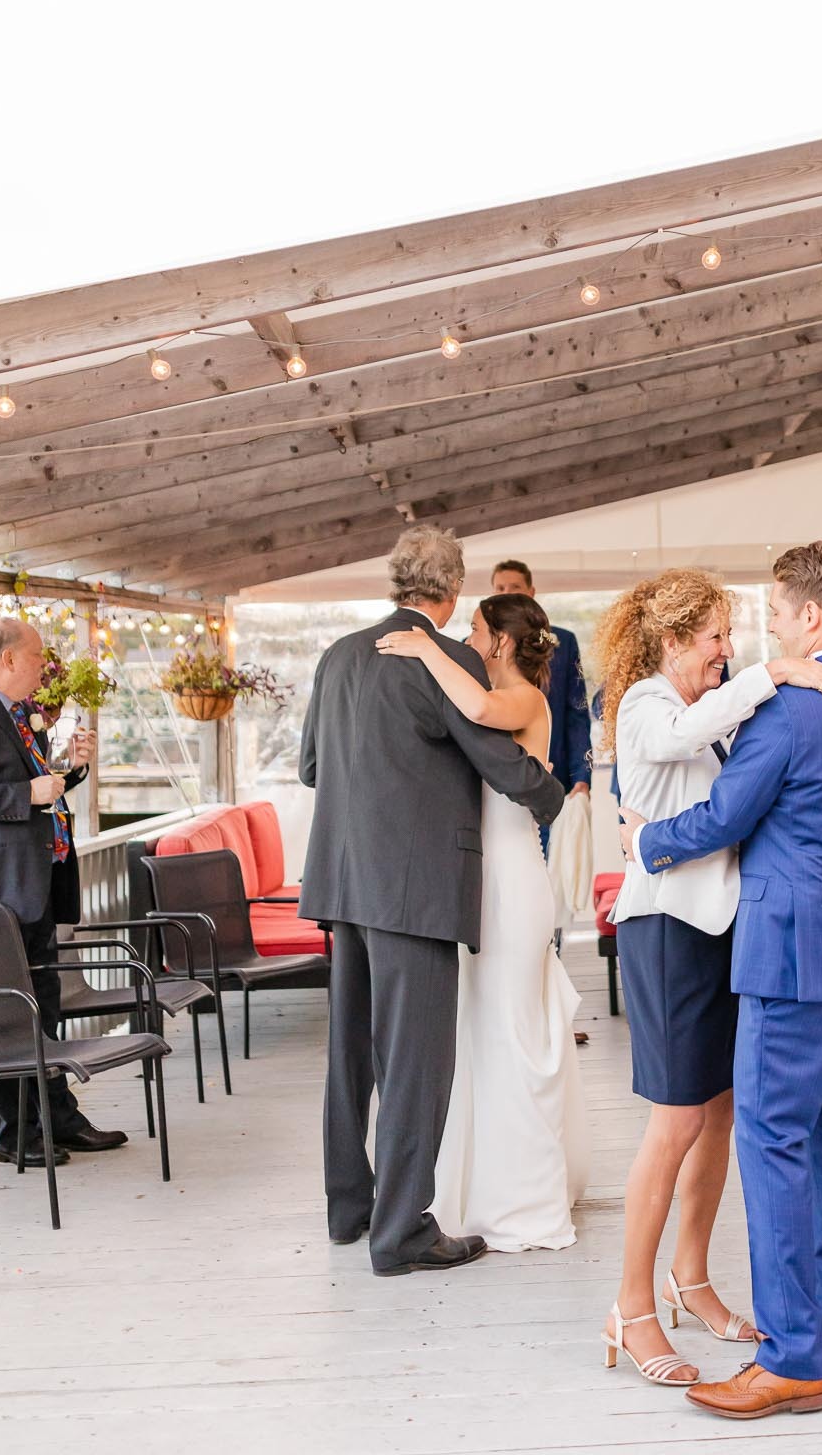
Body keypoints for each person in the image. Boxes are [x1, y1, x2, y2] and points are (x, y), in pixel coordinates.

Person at [620, 541, 822, 1421]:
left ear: (810, 617)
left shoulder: (789, 710)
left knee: (772, 1145)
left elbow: (726, 815)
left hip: (787, 952)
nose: (765, 635)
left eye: (775, 615)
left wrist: (645, 843)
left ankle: (790, 1361)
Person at [297, 526, 563, 1277]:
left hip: (342, 881)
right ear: (451, 590)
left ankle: (350, 1209)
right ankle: (402, 1231)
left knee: (351, 1053)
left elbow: (313, 766)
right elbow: (499, 761)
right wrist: (552, 797)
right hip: (413, 888)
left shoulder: (337, 654)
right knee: (415, 1061)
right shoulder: (441, 657)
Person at [376, 593, 587, 1250]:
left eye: (474, 628)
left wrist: (423, 648)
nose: (465, 635)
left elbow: (476, 707)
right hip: (480, 880)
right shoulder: (496, 691)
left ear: (500, 641)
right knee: (482, 1031)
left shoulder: (523, 696)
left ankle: (521, 1202)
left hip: (513, 882)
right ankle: (477, 1190)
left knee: (510, 1031)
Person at [0, 617, 126, 1164]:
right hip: (5, 890)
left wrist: (73, 769)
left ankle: (60, 1120)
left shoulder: (22, 716)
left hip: (38, 883)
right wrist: (28, 790)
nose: (45, 667)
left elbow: (44, 792)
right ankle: (15, 1133)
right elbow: (18, 794)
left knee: (44, 1007)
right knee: (9, 1015)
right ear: (6, 659)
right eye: (37, 656)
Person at [490, 560, 591, 819]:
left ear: (531, 592)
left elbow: (576, 713)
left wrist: (581, 774)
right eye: (500, 587)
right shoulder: (479, 644)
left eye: (515, 586)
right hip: (493, 780)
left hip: (551, 776)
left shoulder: (562, 641)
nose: (507, 593)